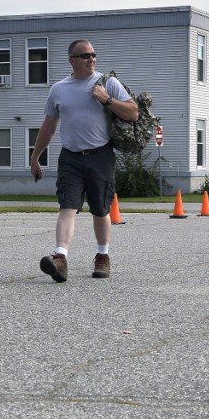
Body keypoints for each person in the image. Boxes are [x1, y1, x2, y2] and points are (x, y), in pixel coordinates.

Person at [30, 40, 138, 282]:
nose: (91, 59)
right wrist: (35, 157)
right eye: (85, 55)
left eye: (93, 54)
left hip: (101, 156)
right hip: (70, 158)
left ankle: (103, 256)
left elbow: (133, 112)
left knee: (100, 210)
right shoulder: (59, 89)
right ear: (72, 60)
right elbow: (48, 126)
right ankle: (60, 258)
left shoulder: (107, 82)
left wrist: (107, 100)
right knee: (67, 206)